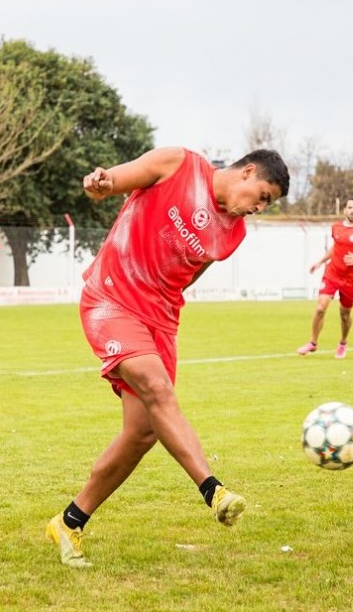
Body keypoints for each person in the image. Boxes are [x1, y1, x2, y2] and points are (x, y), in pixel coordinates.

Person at [45, 146, 290, 567]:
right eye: (263, 196)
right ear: (247, 172)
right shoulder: (178, 163)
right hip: (112, 299)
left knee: (142, 433)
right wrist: (100, 183)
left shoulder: (233, 234)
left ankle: (68, 522)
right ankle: (213, 490)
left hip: (160, 319)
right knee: (158, 390)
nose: (260, 209)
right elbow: (114, 182)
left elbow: (185, 277)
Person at [297, 196, 353, 359]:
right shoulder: (336, 227)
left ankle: (343, 342)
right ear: (345, 210)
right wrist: (320, 262)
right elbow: (335, 248)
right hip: (332, 273)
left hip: (351, 279)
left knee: (344, 314)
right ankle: (312, 342)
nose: (352, 211)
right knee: (320, 308)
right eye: (350, 208)